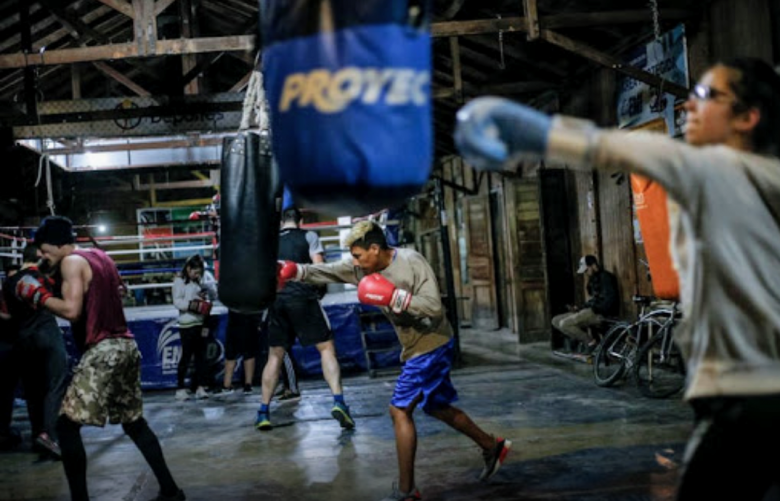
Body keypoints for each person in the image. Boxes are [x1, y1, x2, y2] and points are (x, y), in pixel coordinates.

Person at [454, 57, 780, 501]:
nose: (689, 105)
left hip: (745, 397)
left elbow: (604, 147)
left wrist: (518, 126)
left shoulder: (704, 168)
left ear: (747, 117)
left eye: (707, 95)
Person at [277, 221, 511, 500]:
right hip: (414, 347)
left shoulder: (411, 262)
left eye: (358, 255)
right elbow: (328, 271)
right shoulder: (361, 267)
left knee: (399, 410)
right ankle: (491, 446)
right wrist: (295, 271)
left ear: (375, 249)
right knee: (437, 407)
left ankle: (406, 491)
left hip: (431, 343)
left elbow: (435, 307)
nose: (355, 262)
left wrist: (396, 297)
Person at [24, 216, 184, 501]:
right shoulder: (100, 256)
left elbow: (72, 311)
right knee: (134, 423)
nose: (42, 254)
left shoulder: (71, 262)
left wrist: (38, 296)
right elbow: (120, 291)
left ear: (60, 244)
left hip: (103, 351)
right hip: (126, 347)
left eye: (46, 249)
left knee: (65, 425)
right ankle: (171, 490)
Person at [255, 207, 351, 430]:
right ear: (300, 221)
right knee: (326, 349)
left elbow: (263, 272)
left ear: (281, 222)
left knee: (274, 357)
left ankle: (263, 412)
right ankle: (339, 402)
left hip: (277, 300)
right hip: (303, 296)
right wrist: (319, 289)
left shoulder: (270, 241)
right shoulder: (309, 236)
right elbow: (318, 268)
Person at [3, 244, 68, 458]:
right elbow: (59, 299)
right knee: (55, 385)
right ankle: (49, 435)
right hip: (45, 333)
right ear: (40, 256)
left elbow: (7, 316)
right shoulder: (39, 278)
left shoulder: (9, 282)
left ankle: (37, 436)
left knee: (33, 392)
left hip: (22, 339)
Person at [551, 254, 618, 353]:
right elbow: (593, 299)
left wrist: (594, 309)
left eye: (587, 270)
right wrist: (580, 308)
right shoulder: (593, 279)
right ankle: (579, 339)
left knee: (564, 324)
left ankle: (591, 342)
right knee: (555, 320)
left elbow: (609, 301)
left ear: (594, 265)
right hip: (589, 310)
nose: (586, 273)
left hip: (598, 313)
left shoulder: (606, 278)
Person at [172, 254, 217, 401]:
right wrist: (192, 305)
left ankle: (199, 387)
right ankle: (180, 388)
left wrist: (204, 298)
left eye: (199, 273)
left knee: (200, 357)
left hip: (200, 322)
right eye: (195, 272)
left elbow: (210, 297)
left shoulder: (199, 282)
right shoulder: (179, 282)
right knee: (186, 357)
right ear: (188, 268)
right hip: (186, 324)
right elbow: (177, 302)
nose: (197, 275)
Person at [214, 309, 260, 397]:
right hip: (235, 321)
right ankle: (228, 385)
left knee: (248, 353)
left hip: (248, 320)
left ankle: (247, 385)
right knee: (232, 354)